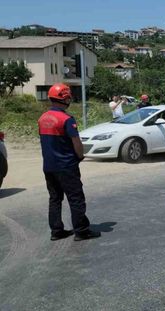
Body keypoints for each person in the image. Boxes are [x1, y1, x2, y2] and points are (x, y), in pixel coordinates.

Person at [38, 83, 101, 241]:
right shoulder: (66, 119)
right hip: (66, 166)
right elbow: (76, 142)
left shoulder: (42, 118)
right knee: (76, 198)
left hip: (49, 166)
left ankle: (56, 231)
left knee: (54, 198)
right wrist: (80, 156)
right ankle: (81, 230)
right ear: (65, 98)